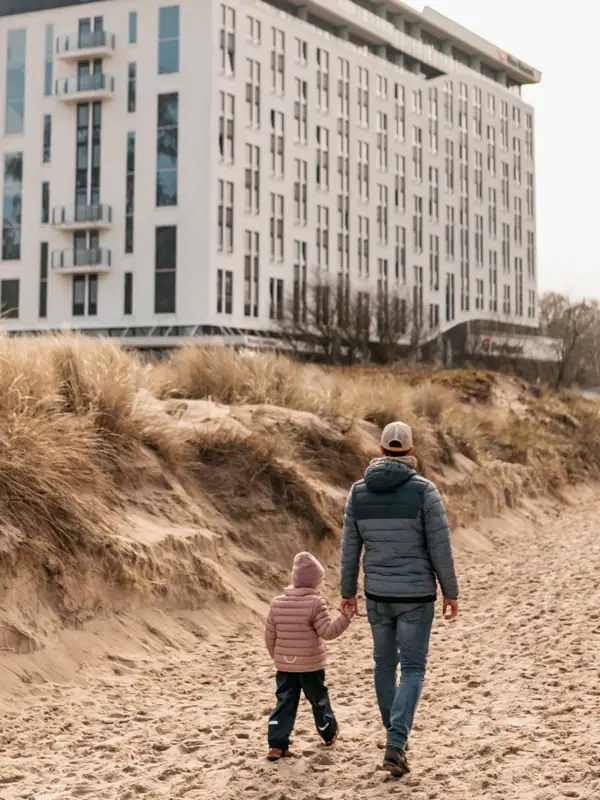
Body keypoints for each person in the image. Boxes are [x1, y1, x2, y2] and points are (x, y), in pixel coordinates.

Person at [340, 421, 459, 777]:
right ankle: (396, 741)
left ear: (380, 450)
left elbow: (349, 548)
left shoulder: (358, 492)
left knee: (383, 666)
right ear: (410, 452)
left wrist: (347, 591)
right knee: (413, 668)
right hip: (416, 596)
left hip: (377, 594)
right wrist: (450, 592)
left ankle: (395, 737)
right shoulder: (425, 492)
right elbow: (441, 547)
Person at [265, 552, 352, 761]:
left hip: (285, 666)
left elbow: (270, 636)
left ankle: (277, 745)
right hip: (311, 667)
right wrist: (345, 617)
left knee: (284, 702)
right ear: (315, 582)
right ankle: (329, 734)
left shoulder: (277, 603)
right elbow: (327, 632)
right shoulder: (315, 603)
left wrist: (278, 657)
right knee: (319, 700)